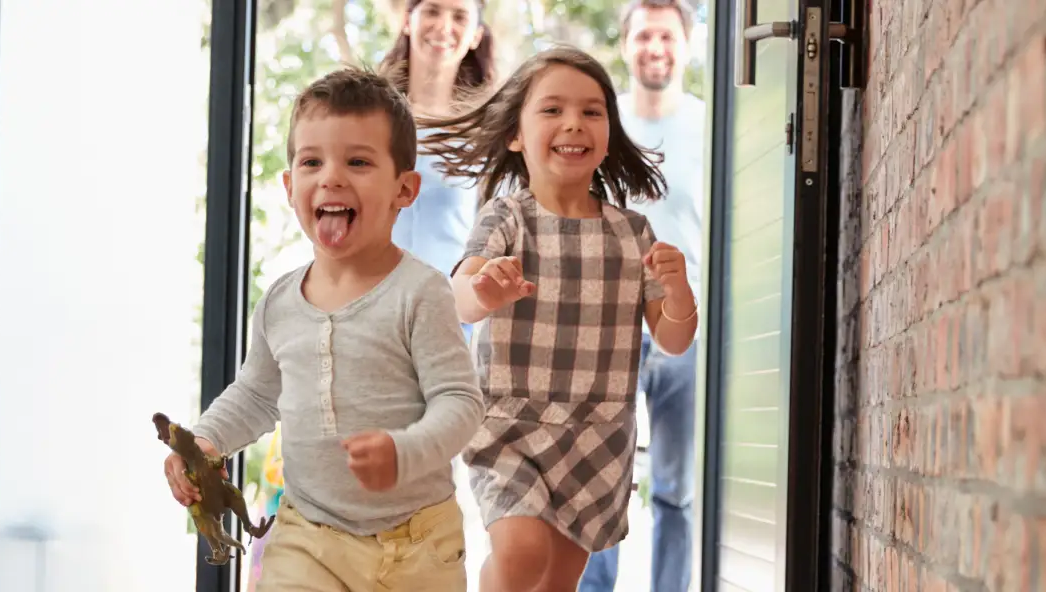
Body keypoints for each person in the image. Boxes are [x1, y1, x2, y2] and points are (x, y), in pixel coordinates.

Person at [163, 68, 485, 591]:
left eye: (357, 161)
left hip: (419, 546)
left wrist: (405, 450)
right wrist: (203, 441)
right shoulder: (279, 303)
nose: (331, 177)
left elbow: (461, 403)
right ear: (291, 187)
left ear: (405, 188)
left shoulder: (422, 293)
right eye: (312, 162)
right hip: (307, 536)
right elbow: (255, 394)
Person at [418, 47, 700, 592]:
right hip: (510, 428)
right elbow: (460, 297)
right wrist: (485, 288)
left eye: (592, 112)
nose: (573, 122)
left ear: (609, 134)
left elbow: (674, 339)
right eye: (552, 110)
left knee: (558, 581)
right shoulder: (506, 217)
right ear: (515, 135)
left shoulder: (633, 232)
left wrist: (681, 289)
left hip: (598, 439)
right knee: (522, 554)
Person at [580, 2, 706, 591]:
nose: (656, 46)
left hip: (686, 328)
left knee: (678, 489)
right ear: (627, 46)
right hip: (612, 328)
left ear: (687, 45)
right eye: (644, 35)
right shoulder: (604, 127)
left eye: (667, 35)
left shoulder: (712, 126)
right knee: (602, 482)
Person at [380, 0, 499, 344]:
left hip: (449, 322)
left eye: (459, 16)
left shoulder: (486, 132)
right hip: (372, 312)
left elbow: (496, 236)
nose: (444, 26)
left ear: (476, 36)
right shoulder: (371, 117)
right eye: (432, 10)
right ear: (407, 21)